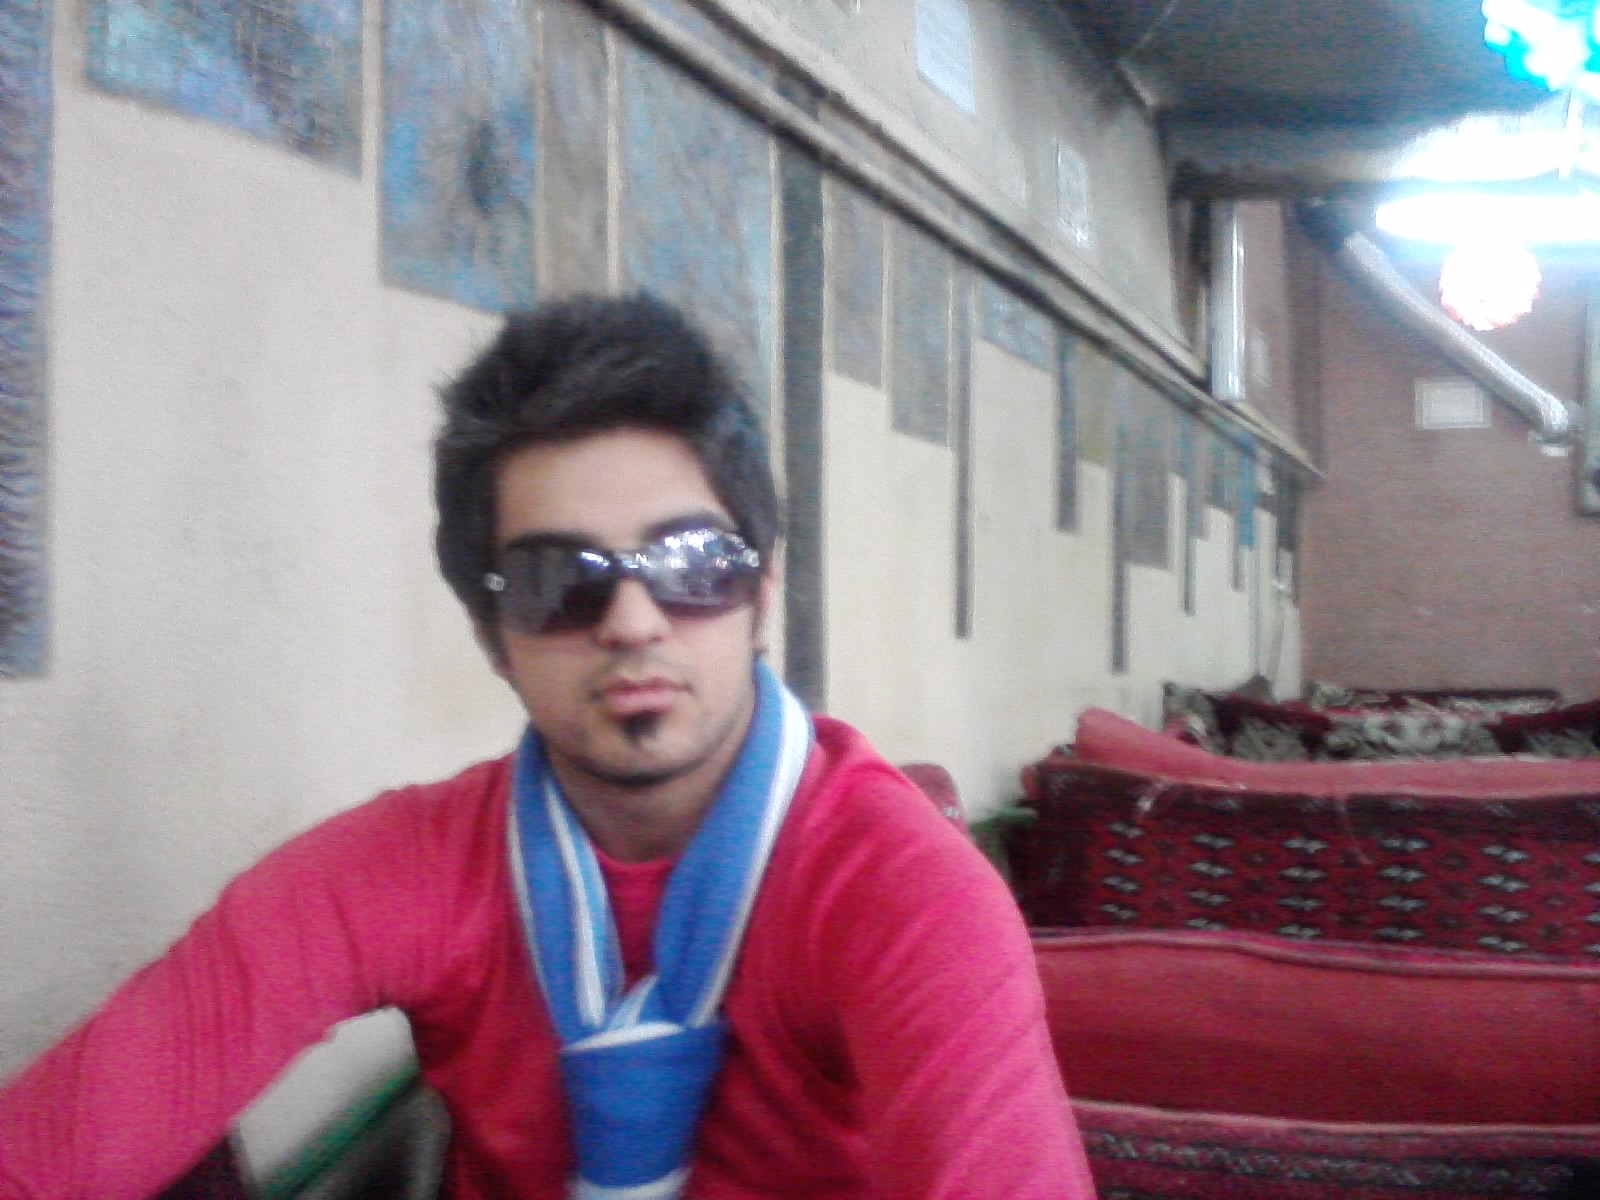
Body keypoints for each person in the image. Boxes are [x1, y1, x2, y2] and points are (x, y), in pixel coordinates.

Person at [0, 294, 1095, 1199]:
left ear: (761, 592)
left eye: (691, 562)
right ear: (492, 637)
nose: (633, 621)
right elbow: (59, 1143)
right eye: (556, 579)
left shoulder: (902, 893)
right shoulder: (408, 867)